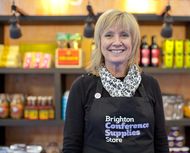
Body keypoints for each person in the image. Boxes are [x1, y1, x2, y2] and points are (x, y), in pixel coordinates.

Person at [63, 9, 169, 153]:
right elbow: (71, 146)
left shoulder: (150, 84)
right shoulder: (82, 87)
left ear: (134, 41)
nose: (117, 42)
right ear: (99, 41)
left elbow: (161, 143)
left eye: (124, 35)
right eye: (109, 35)